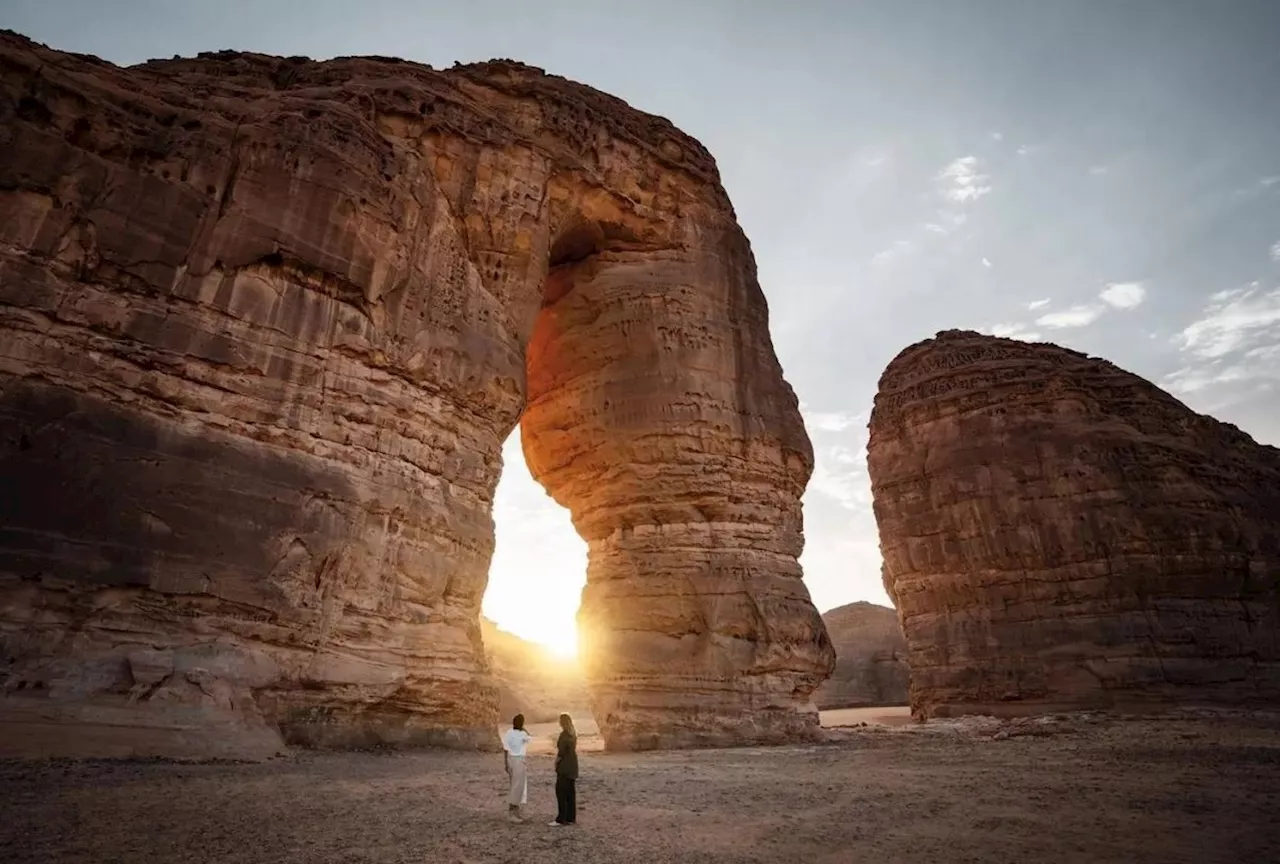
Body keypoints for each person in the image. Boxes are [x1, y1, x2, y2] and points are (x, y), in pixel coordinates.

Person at [502, 714, 533, 823]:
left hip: (511, 759)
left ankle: (515, 811)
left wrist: (506, 763)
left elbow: (505, 749)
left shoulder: (509, 733)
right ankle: (512, 813)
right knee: (517, 786)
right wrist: (523, 728)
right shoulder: (522, 734)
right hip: (519, 760)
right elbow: (530, 737)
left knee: (514, 785)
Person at [550, 712, 578, 826]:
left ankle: (561, 819)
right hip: (573, 765)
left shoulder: (564, 735)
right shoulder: (573, 734)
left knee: (561, 792)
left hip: (565, 766)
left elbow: (561, 752)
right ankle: (570, 818)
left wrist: (556, 762)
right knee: (570, 793)